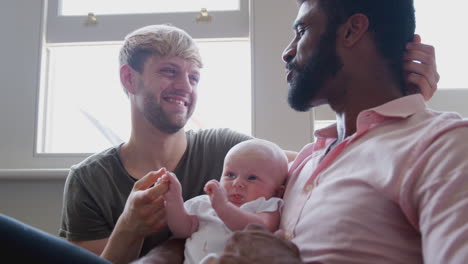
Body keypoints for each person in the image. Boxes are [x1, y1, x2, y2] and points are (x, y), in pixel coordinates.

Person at [59, 21, 439, 264]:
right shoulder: (88, 181)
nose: (184, 87)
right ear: (129, 79)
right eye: (169, 72)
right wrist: (129, 226)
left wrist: (399, 100)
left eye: (193, 78)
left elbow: (324, 160)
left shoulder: (225, 147)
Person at [205, 0, 468, 263]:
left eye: (301, 31)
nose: (287, 52)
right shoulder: (304, 162)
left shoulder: (443, 145)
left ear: (352, 31)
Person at [161, 139, 289, 264]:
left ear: (277, 192)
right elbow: (182, 230)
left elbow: (262, 228)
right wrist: (174, 200)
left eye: (252, 178)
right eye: (230, 175)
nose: (237, 183)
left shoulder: (266, 206)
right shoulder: (204, 203)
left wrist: (224, 208)